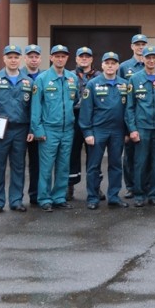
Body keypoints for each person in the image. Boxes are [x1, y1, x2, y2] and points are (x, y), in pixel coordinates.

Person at [0, 45, 33, 213]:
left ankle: (16, 200)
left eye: (16, 57)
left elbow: (33, 109)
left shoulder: (28, 82)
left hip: (20, 130)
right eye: (10, 57)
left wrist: (32, 129)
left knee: (18, 167)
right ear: (4, 59)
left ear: (21, 59)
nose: (13, 60)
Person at [79, 51, 130, 210]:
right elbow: (85, 110)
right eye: (107, 63)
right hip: (98, 131)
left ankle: (114, 197)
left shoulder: (124, 84)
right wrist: (87, 132)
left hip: (118, 131)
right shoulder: (93, 84)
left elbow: (128, 110)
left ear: (117, 66)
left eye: (113, 63)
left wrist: (127, 131)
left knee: (116, 165)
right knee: (94, 166)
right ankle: (93, 197)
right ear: (102, 65)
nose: (110, 66)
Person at [30, 44, 78, 212]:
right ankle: (44, 198)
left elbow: (74, 100)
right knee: (46, 167)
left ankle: (59, 197)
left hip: (67, 129)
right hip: (49, 130)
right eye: (57, 56)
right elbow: (36, 107)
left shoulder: (72, 78)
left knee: (63, 166)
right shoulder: (42, 79)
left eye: (63, 56)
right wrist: (38, 129)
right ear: (51, 58)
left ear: (67, 58)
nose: (60, 59)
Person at [125, 45, 155, 207]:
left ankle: (153, 194)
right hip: (142, 127)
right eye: (148, 57)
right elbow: (129, 107)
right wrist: (132, 129)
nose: (151, 60)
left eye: (153, 57)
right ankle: (139, 194)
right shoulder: (134, 79)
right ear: (143, 59)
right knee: (140, 162)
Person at [119, 34, 149, 200]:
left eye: (143, 44)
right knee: (129, 155)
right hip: (130, 117)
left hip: (146, 119)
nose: (140, 47)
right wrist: (126, 128)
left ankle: (144, 185)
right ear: (132, 46)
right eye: (137, 44)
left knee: (146, 157)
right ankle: (130, 186)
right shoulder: (124, 67)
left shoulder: (153, 65)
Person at [68, 47, 99, 201]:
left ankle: (95, 187)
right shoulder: (69, 76)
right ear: (76, 59)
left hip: (93, 119)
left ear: (92, 59)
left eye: (87, 56)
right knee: (72, 153)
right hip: (74, 117)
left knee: (93, 154)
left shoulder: (99, 76)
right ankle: (69, 186)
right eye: (81, 56)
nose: (84, 59)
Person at [23, 44, 42, 206]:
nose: (33, 59)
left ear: (40, 59)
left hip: (37, 127)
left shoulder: (45, 77)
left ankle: (35, 195)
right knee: (17, 164)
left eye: (36, 57)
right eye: (31, 56)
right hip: (20, 127)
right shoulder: (19, 76)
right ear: (25, 58)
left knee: (36, 163)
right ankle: (16, 198)